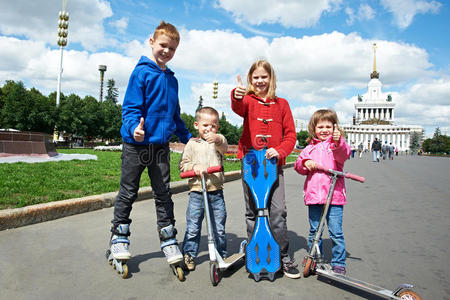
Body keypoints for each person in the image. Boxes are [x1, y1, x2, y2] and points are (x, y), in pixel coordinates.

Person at [109, 21, 192, 267]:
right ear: (152, 42)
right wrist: (133, 128)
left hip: (160, 148)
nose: (167, 51)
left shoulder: (173, 80)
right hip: (136, 145)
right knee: (128, 192)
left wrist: (190, 139)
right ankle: (118, 238)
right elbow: (130, 109)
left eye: (172, 49)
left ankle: (168, 239)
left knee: (164, 193)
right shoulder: (141, 72)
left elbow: (175, 117)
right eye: (163, 45)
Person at [231, 60, 300, 279]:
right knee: (253, 211)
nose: (260, 81)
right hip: (251, 163)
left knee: (277, 211)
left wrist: (279, 150)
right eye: (256, 77)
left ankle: (283, 255)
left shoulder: (282, 104)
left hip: (273, 165)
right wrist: (237, 94)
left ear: (271, 78)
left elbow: (291, 135)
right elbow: (237, 107)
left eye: (264, 77)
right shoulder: (248, 100)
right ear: (251, 79)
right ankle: (255, 252)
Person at [294, 109, 351, 275]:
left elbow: (343, 154)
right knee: (314, 230)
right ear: (314, 129)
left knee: (336, 232)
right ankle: (315, 257)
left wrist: (339, 141)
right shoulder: (309, 148)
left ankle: (339, 262)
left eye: (328, 126)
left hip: (334, 197)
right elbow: (299, 165)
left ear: (335, 127)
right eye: (320, 127)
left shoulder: (336, 146)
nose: (324, 130)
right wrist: (305, 162)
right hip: (314, 197)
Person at [179, 107, 228, 271]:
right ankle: (189, 254)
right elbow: (183, 165)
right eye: (205, 125)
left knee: (219, 228)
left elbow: (224, 145)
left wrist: (218, 138)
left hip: (216, 192)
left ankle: (221, 254)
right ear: (196, 125)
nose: (209, 129)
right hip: (197, 192)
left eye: (213, 126)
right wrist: (195, 166)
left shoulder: (218, 143)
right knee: (193, 227)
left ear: (217, 128)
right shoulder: (192, 144)